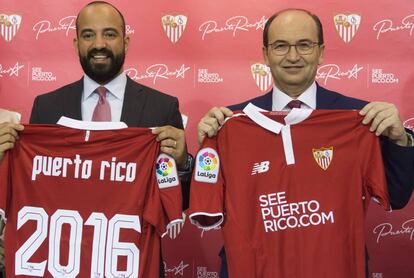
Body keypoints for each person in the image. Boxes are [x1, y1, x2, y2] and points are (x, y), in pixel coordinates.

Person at [197, 8, 414, 278]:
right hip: (254, 267)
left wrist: (401, 140)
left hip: (336, 268)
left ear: (321, 52)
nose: (292, 56)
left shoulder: (360, 119)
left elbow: (396, 196)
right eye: (281, 46)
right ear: (265, 54)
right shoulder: (229, 123)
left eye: (304, 45)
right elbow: (206, 202)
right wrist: (205, 153)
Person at [0, 1, 193, 277]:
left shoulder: (161, 107)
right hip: (61, 264)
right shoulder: (47, 106)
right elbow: (29, 193)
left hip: (131, 264)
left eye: (110, 34)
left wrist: (184, 161)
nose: (99, 44)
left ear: (126, 41)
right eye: (89, 35)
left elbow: (179, 201)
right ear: (76, 42)